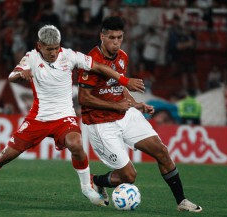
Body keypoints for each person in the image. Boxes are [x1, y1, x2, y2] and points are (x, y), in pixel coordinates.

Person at [0, 25, 145, 207]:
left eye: (56, 48)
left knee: (76, 143)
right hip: (38, 118)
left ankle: (87, 188)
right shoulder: (31, 57)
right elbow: (12, 76)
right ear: (39, 46)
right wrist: (22, 73)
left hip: (64, 118)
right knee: (5, 156)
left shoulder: (69, 56)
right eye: (49, 49)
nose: (53, 53)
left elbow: (100, 67)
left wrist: (124, 80)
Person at [78, 16, 202, 212]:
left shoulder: (123, 57)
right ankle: (97, 181)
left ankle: (181, 201)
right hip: (101, 124)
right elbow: (83, 99)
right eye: (111, 38)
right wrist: (115, 106)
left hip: (125, 116)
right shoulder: (90, 62)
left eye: (119, 37)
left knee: (161, 151)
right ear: (102, 37)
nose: (116, 42)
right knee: (129, 176)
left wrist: (135, 104)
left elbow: (117, 86)